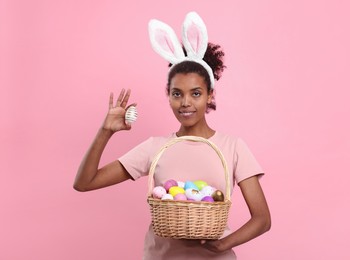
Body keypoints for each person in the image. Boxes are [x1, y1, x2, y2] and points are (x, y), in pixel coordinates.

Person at [74, 12, 271, 260]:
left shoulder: (232, 147)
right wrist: (105, 132)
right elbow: (84, 183)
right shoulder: (155, 148)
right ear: (168, 96)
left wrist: (222, 245)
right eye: (177, 94)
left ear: (210, 95)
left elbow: (262, 219)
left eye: (196, 93)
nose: (185, 103)